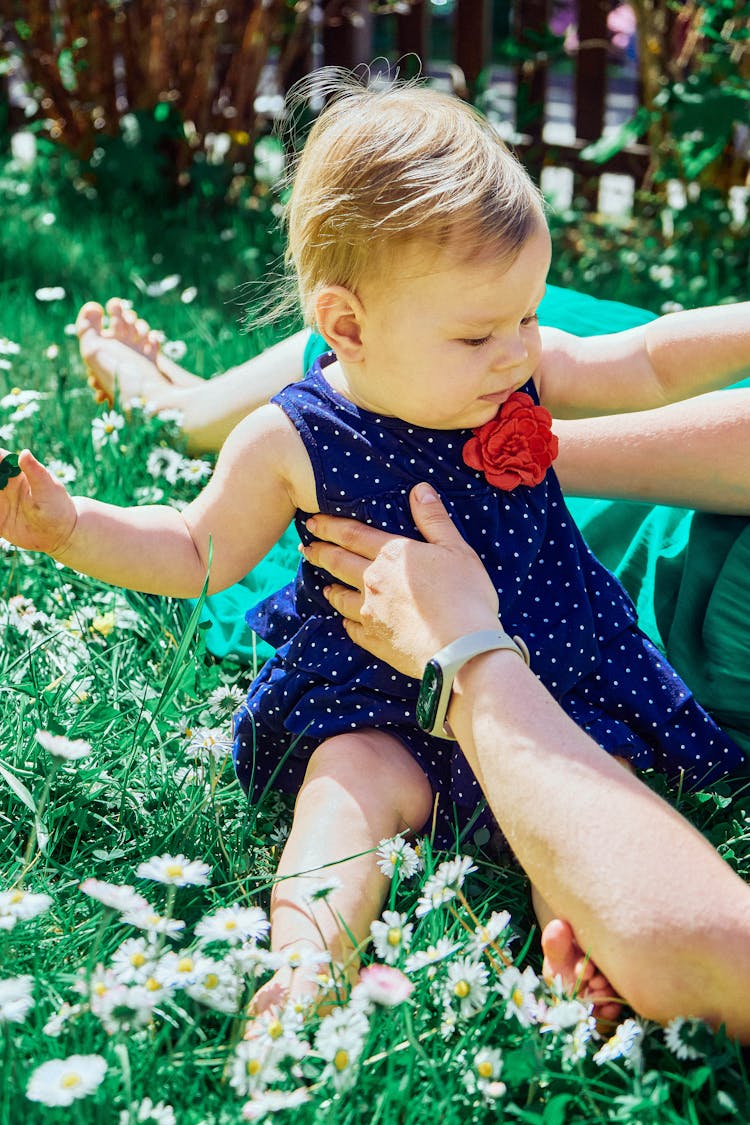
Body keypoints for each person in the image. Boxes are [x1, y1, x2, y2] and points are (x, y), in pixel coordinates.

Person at [3, 78, 749, 1022]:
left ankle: (587, 956)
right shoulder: (292, 437)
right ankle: (308, 964)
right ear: (348, 325)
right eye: (483, 331)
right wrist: (72, 529)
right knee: (343, 791)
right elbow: (195, 549)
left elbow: (650, 358)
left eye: (526, 318)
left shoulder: (522, 372)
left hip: (551, 678)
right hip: (377, 698)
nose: (520, 350)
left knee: (591, 795)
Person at [301, 484, 750, 1042]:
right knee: (348, 773)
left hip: (562, 695)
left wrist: (464, 648)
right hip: (388, 701)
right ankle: (302, 972)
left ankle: (592, 938)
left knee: (599, 789)